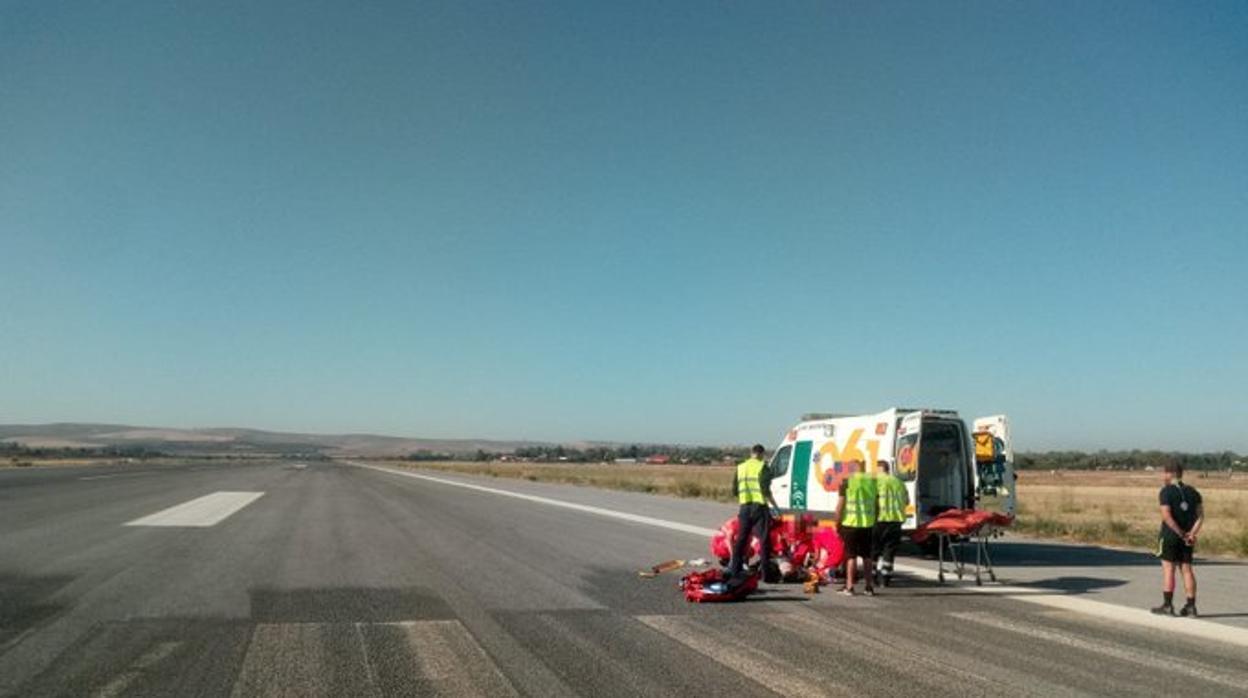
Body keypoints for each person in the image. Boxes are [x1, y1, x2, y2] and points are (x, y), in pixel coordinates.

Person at [1151, 462, 1203, 617]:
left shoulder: (1166, 492)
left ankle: (1168, 605)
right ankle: (1191, 606)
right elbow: (1200, 516)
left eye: (1164, 473)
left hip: (1170, 536)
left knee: (1169, 569)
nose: (1163, 476)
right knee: (1186, 570)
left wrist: (1180, 533)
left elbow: (1166, 516)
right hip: (1188, 537)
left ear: (1170, 473)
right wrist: (1192, 534)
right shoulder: (1194, 492)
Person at [728, 444, 778, 581]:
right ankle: (766, 575)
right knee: (763, 540)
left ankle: (735, 570)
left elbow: (734, 491)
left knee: (741, 540)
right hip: (759, 508)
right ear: (762, 454)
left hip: (744, 508)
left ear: (751, 453)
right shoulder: (763, 467)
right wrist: (775, 507)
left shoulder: (741, 467)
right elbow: (765, 491)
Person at [834, 459, 877, 596]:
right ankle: (869, 587)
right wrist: (874, 519)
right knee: (867, 556)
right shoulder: (871, 482)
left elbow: (840, 506)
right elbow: (877, 504)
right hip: (867, 524)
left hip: (850, 524)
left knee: (851, 555)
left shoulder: (847, 482)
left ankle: (850, 587)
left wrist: (837, 521)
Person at [873, 460, 908, 587]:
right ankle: (885, 579)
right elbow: (906, 501)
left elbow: (872, 501)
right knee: (889, 551)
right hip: (896, 521)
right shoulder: (899, 483)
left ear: (879, 469)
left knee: (874, 550)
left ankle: (873, 577)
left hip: (880, 520)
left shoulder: (876, 482)